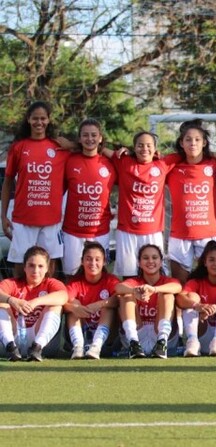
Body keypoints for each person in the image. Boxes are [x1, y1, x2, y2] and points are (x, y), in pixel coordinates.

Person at [1, 101, 71, 277]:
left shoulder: (59, 147)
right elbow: (7, 182)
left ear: (48, 120)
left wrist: (71, 145)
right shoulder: (18, 147)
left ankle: (46, 299)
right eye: (35, 118)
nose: (39, 122)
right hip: (24, 217)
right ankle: (19, 301)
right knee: (20, 261)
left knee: (49, 261)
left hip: (51, 218)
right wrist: (3, 216)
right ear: (28, 120)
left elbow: (88, 148)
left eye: (43, 118)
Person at [104, 131, 179, 278]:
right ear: (134, 147)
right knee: (129, 275)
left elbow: (186, 152)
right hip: (127, 231)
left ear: (155, 148)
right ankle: (130, 301)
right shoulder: (124, 162)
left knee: (155, 273)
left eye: (149, 145)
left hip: (153, 231)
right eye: (140, 145)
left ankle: (152, 301)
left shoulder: (163, 164)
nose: (145, 149)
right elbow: (103, 149)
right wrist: (123, 151)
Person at [166, 119, 216, 284]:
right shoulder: (172, 166)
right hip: (180, 233)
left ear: (204, 142)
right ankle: (178, 311)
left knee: (211, 283)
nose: (193, 143)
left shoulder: (214, 164)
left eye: (197, 139)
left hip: (208, 234)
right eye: (188, 139)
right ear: (181, 143)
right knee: (179, 284)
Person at [62, 119, 117, 278]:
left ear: (100, 138)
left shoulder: (110, 164)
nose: (90, 139)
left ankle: (100, 303)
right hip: (72, 231)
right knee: (72, 276)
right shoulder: (70, 161)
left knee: (99, 274)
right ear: (79, 138)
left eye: (94, 135)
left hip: (99, 231)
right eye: (85, 135)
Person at [0, 246, 68, 361]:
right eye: (31, 265)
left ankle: (36, 348)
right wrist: (12, 300)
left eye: (40, 266)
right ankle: (10, 347)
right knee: (3, 304)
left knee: (55, 306)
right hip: (13, 337)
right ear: (24, 267)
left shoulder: (52, 283)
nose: (35, 271)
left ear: (47, 268)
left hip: (44, 343)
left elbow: (63, 296)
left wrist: (36, 301)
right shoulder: (12, 283)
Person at [115, 244, 182, 359]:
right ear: (139, 263)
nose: (150, 261)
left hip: (160, 333)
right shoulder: (135, 282)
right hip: (137, 332)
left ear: (161, 262)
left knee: (167, 295)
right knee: (126, 296)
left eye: (154, 258)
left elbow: (178, 287)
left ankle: (162, 343)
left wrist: (155, 290)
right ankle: (133, 344)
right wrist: (134, 291)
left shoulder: (167, 281)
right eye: (145, 258)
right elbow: (118, 288)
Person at [63, 242, 120, 359]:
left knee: (107, 308)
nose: (93, 263)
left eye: (97, 259)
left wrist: (101, 304)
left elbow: (119, 299)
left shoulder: (111, 280)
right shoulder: (75, 282)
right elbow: (62, 301)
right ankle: (78, 347)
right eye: (88, 259)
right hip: (83, 330)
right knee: (73, 307)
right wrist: (74, 307)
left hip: (107, 338)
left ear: (104, 262)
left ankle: (96, 347)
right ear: (82, 261)